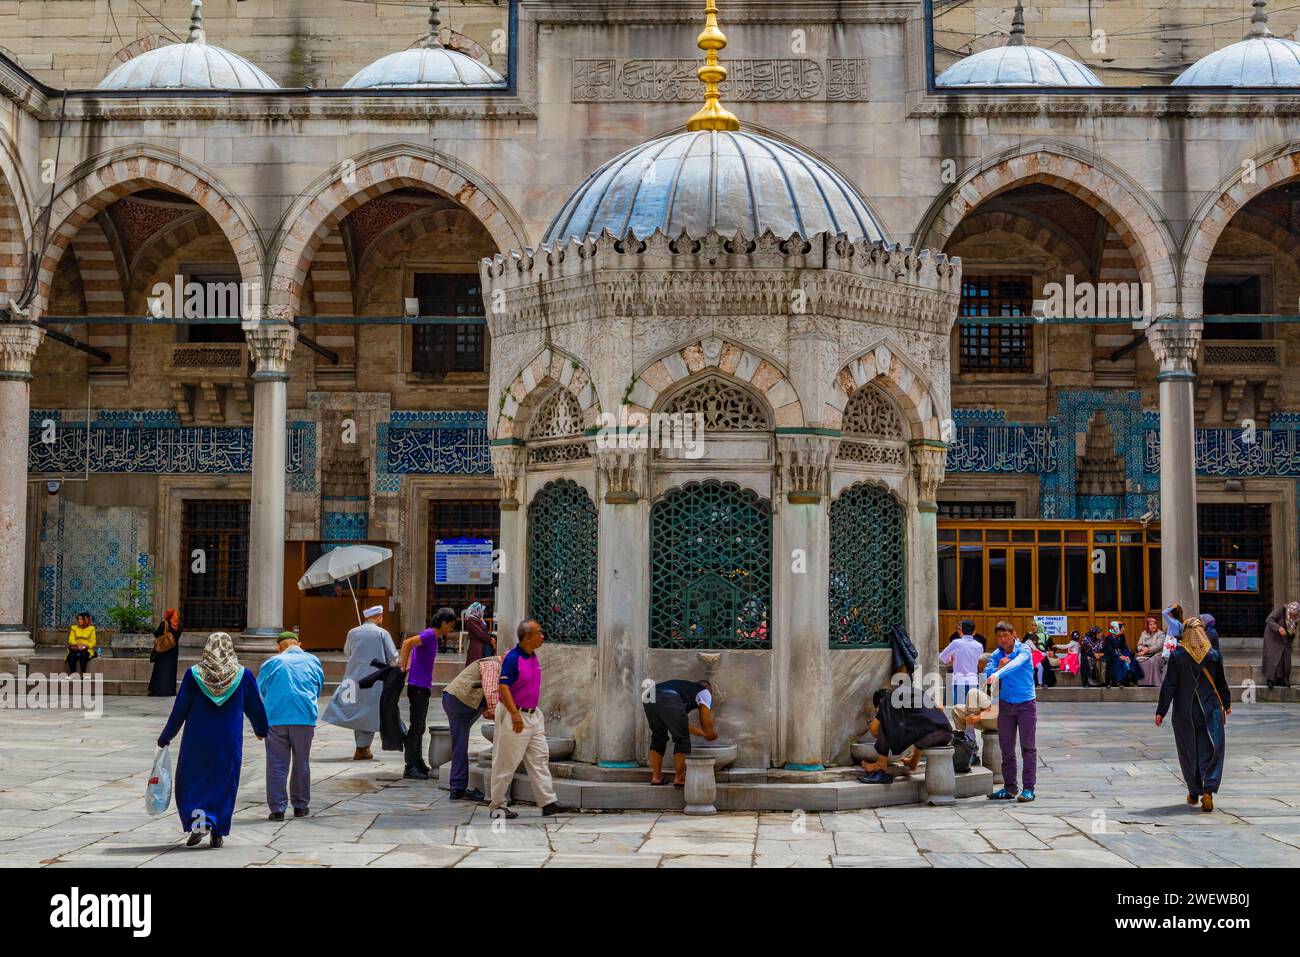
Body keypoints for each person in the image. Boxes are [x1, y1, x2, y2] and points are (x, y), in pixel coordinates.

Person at [157, 633, 268, 848]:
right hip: (228, 740)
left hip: (197, 740)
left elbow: (180, 709)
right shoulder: (243, 675)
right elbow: (255, 706)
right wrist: (261, 729)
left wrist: (166, 736)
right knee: (223, 781)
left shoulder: (194, 674)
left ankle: (199, 824)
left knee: (193, 781)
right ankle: (217, 830)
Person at [486, 620, 570, 819]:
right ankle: (497, 805)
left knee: (540, 758)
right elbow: (503, 687)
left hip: (533, 716)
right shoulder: (513, 658)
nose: (543, 636)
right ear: (527, 637)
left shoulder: (533, 657)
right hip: (515, 715)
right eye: (539, 633)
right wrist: (515, 714)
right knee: (506, 762)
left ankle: (548, 802)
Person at [1156, 616, 1231, 812]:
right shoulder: (1214, 656)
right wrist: (1228, 703)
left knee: (1189, 750)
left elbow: (1170, 685)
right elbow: (1222, 683)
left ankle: (1193, 790)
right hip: (1210, 710)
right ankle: (1208, 790)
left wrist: (1161, 711)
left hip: (1185, 713)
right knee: (1212, 748)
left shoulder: (1178, 656)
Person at [257, 631, 325, 821]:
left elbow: (259, 690)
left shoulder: (272, 663)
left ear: (279, 647)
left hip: (276, 719)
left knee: (276, 765)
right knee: (302, 762)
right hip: (304, 719)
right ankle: (301, 806)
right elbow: (318, 687)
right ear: (299, 644)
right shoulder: (313, 661)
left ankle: (277, 809)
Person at [321, 604, 397, 760]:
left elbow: (347, 652)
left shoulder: (352, 632)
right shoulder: (382, 633)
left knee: (357, 710)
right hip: (375, 679)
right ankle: (362, 748)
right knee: (369, 712)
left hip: (353, 677)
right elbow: (393, 657)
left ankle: (362, 747)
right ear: (379, 617)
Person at [398, 607, 457, 780]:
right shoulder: (430, 634)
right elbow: (407, 643)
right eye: (451, 625)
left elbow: (414, 651)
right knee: (416, 728)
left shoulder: (432, 636)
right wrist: (403, 666)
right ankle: (410, 766)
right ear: (444, 623)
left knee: (420, 726)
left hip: (421, 685)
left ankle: (418, 762)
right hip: (418, 686)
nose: (451, 629)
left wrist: (409, 663)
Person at [983, 622, 1037, 802]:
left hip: (1026, 703)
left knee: (1028, 747)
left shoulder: (1024, 650)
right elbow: (986, 673)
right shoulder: (997, 654)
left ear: (1014, 634)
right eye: (999, 636)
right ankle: (1009, 787)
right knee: (1006, 748)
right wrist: (997, 669)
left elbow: (1017, 664)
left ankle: (1028, 788)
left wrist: (999, 673)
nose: (1002, 639)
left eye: (1006, 635)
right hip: (1006, 704)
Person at [859, 687, 955, 783]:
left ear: (879, 705)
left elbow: (874, 729)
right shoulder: (907, 695)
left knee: (888, 722)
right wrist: (913, 761)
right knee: (910, 725)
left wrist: (879, 730)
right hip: (946, 733)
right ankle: (913, 761)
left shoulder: (887, 700)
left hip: (930, 734)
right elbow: (922, 726)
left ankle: (880, 765)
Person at [441, 653, 502, 801]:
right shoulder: (493, 664)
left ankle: (458, 787)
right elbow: (491, 691)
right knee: (460, 745)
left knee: (459, 744)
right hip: (459, 701)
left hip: (458, 700)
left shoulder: (496, 665)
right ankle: (458, 787)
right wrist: (497, 714)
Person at [643, 678, 718, 785]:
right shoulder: (704, 691)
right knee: (682, 739)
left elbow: (683, 725)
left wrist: (702, 734)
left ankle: (656, 777)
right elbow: (706, 721)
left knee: (658, 737)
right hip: (668, 696)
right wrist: (709, 733)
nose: (710, 698)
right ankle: (680, 778)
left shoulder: (684, 696)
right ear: (708, 689)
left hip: (649, 695)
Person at [939, 621, 984, 744]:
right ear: (974, 632)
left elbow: (942, 657)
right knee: (971, 711)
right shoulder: (979, 645)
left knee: (960, 711)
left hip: (958, 680)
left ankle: (966, 741)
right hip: (973, 680)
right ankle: (971, 741)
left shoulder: (956, 643)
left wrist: (951, 658)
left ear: (962, 631)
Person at [147, 608, 182, 697]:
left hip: (163, 651)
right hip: (173, 651)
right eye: (175, 615)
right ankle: (170, 691)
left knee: (160, 670)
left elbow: (156, 634)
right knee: (171, 671)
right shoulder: (180, 625)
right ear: (172, 616)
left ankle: (157, 690)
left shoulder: (164, 624)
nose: (176, 616)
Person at [1262, 603, 1297, 689]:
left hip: (1285, 637)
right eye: (1292, 613)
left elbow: (1292, 627)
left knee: (1285, 657)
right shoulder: (1280, 610)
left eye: (1295, 614)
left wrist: (1293, 632)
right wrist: (1278, 628)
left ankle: (1282, 679)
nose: (1293, 615)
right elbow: (1269, 619)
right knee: (1273, 656)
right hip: (1272, 636)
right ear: (1289, 610)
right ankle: (1270, 680)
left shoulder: (1296, 616)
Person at [1135, 616, 1166, 687]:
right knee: (1139, 660)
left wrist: (1147, 650)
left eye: (1154, 624)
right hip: (1145, 654)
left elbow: (1158, 646)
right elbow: (1138, 645)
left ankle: (1154, 682)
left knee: (1153, 661)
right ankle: (1142, 683)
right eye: (1150, 624)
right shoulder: (1144, 633)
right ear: (1147, 626)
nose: (1153, 626)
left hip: (1158, 655)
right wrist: (1142, 648)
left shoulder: (1161, 634)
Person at [1104, 621, 1137, 687]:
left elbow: (1125, 648)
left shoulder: (1121, 636)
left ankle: (1130, 680)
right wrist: (1119, 656)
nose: (1123, 629)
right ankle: (1119, 681)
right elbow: (1109, 651)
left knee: (1132, 660)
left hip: (1122, 655)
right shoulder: (1108, 638)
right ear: (1116, 628)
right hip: (1113, 656)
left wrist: (1127, 656)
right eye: (1121, 627)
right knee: (1120, 661)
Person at [463, 601, 495, 666]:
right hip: (477, 648)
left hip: (481, 646)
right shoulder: (472, 620)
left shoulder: (477, 619)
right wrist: (490, 640)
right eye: (481, 610)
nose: (482, 612)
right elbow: (481, 634)